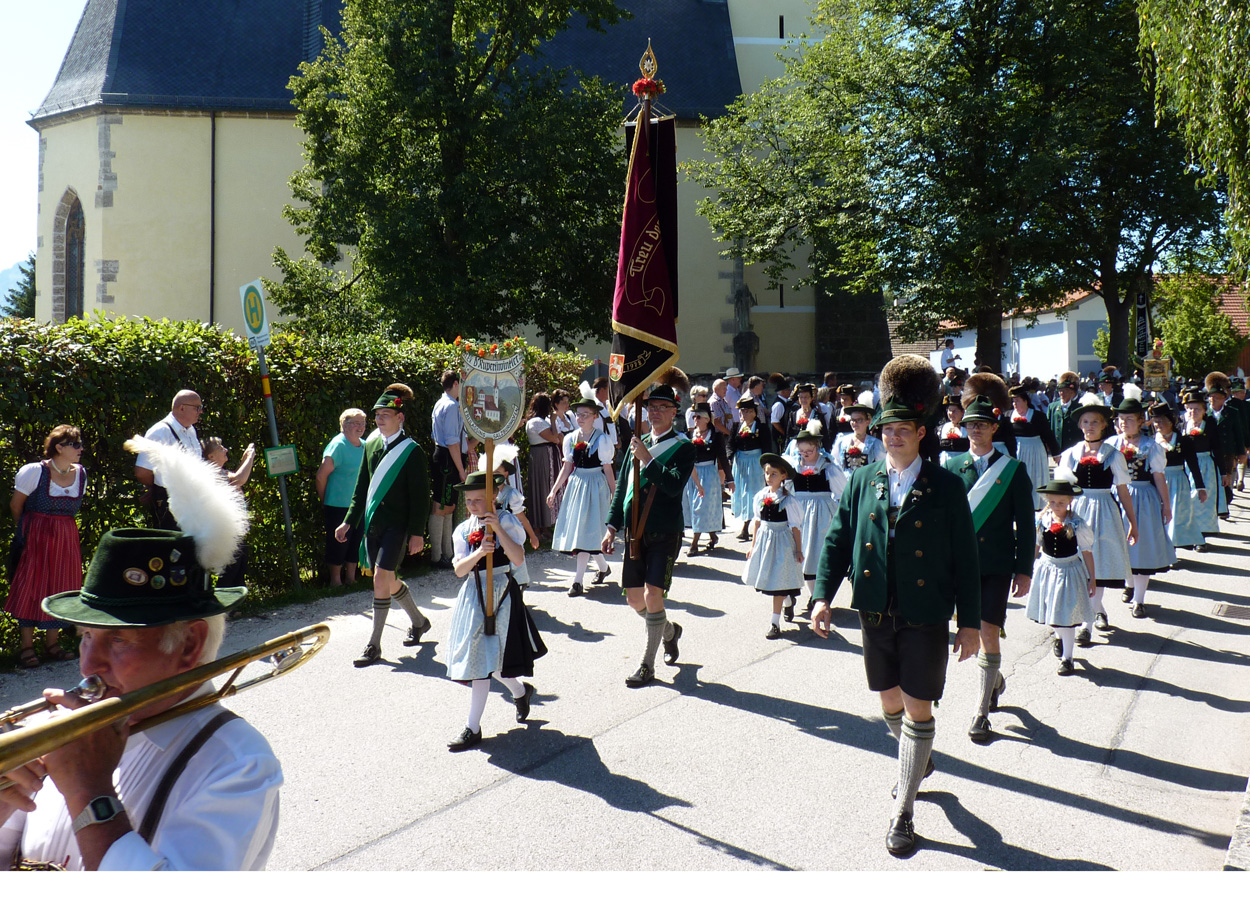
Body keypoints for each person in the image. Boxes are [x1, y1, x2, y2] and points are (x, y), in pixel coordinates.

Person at [0, 437, 279, 871]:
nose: (88, 665)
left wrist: (89, 793)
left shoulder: (238, 764)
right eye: (86, 637)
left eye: (119, 640)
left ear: (188, 644)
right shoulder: (57, 731)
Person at [811, 355, 981, 857]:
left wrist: (968, 625)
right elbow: (838, 540)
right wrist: (822, 596)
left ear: (921, 432)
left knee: (915, 704)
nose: (893, 437)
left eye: (903, 429)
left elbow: (966, 562)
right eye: (887, 429)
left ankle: (904, 810)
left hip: (926, 612)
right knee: (888, 700)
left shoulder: (948, 486)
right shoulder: (863, 480)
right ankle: (917, 753)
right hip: (874, 611)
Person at [945, 393, 1034, 744]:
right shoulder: (951, 468)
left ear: (995, 428)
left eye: (982, 424)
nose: (975, 430)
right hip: (959, 566)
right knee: (970, 631)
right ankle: (993, 678)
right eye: (970, 424)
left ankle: (982, 713)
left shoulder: (1012, 470)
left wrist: (1023, 569)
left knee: (988, 632)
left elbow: (1026, 525)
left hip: (997, 563)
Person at [444, 471, 547, 751]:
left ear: (493, 497)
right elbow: (458, 570)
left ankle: (511, 697)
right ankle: (479, 722)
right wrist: (478, 554)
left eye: (479, 499)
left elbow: (517, 557)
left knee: (493, 657)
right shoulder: (463, 530)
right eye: (469, 500)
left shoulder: (507, 521)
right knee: (481, 660)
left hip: (501, 592)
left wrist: (498, 530)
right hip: (473, 594)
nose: (473, 505)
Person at [601, 384, 695, 688]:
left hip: (665, 531)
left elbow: (672, 486)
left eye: (661, 408)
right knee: (634, 599)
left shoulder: (684, 447)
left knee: (654, 595)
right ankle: (668, 631)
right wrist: (612, 526)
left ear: (673, 413)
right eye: (651, 407)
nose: (654, 412)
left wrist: (649, 459)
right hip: (633, 532)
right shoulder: (636, 444)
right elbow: (622, 491)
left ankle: (647, 665)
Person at [337, 385, 433, 667]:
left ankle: (374, 644)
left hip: (398, 527)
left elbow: (419, 496)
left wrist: (417, 533)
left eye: (386, 415)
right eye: (377, 414)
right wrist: (348, 522)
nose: (379, 419)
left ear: (400, 418)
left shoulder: (412, 451)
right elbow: (361, 488)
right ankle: (419, 621)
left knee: (380, 578)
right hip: (373, 525)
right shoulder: (370, 445)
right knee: (388, 581)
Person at [1055, 396, 1138, 641]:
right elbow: (1060, 490)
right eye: (1085, 421)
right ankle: (1096, 610)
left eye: (1095, 422)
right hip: (1078, 510)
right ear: (1080, 426)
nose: (1089, 426)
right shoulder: (1071, 454)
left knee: (1098, 565)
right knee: (1078, 564)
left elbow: (1123, 490)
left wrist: (1132, 522)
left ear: (1104, 425)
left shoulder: (1114, 455)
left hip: (1104, 511)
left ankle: (1087, 624)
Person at [5, 425, 86, 669]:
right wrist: (28, 530)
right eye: (76, 445)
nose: (81, 449)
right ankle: (26, 648)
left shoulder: (81, 473)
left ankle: (53, 645)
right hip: (36, 536)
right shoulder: (34, 472)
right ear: (59, 448)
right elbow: (15, 505)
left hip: (66, 536)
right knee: (32, 585)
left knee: (62, 585)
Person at [1107, 397, 1173, 618]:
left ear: (1140, 421)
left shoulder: (1150, 446)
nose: (1124, 422)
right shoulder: (1112, 444)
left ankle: (1139, 600)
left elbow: (1159, 477)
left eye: (1129, 419)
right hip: (1116, 497)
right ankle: (1128, 583)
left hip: (1143, 497)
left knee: (1141, 548)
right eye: (1121, 419)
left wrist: (1166, 505)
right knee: (1120, 545)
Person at [1026, 471, 1097, 676]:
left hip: (1069, 571)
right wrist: (1028, 570)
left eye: (1061, 503)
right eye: (1054, 502)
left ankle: (1068, 658)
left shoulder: (1077, 524)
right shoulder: (1042, 520)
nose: (1057, 506)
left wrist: (1093, 579)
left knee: (1066, 615)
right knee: (1052, 611)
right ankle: (1059, 637)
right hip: (1047, 569)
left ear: (1070, 502)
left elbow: (1087, 552)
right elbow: (1036, 547)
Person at [547, 399, 616, 596]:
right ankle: (603, 568)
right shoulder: (570, 438)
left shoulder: (602, 440)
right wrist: (554, 490)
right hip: (577, 485)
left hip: (595, 485)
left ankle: (577, 582)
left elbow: (608, 469)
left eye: (585, 414)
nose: (580, 418)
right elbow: (567, 467)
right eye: (578, 414)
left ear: (595, 417)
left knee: (589, 531)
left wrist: (615, 494)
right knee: (582, 532)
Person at [741, 454, 804, 640]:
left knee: (779, 581)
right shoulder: (761, 496)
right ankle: (788, 600)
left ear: (784, 476)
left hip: (782, 541)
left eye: (774, 474)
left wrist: (798, 550)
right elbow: (757, 523)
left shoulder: (788, 500)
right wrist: (753, 547)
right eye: (767, 473)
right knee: (773, 579)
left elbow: (795, 527)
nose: (769, 477)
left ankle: (774, 623)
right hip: (765, 541)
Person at [785, 430, 844, 614]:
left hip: (821, 513)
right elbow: (786, 489)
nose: (804, 455)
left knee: (815, 553)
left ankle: (815, 596)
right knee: (794, 552)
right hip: (799, 511)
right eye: (801, 452)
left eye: (808, 452)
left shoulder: (827, 467)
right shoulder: (794, 466)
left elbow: (842, 491)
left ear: (816, 448)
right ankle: (789, 594)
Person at [134, 390, 203, 529]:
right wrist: (156, 488)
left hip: (192, 501)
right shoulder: (160, 432)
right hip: (171, 504)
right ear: (182, 408)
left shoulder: (191, 430)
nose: (200, 412)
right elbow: (142, 471)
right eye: (197, 408)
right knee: (172, 548)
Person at [316, 408, 367, 585]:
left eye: (363, 423)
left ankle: (351, 579)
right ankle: (335, 581)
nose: (360, 427)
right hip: (337, 504)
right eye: (356, 423)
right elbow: (321, 476)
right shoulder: (338, 445)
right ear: (344, 425)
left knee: (356, 541)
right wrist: (325, 500)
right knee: (338, 543)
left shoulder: (365, 445)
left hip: (358, 505)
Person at [1151, 401, 1208, 552]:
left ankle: (1184, 542)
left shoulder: (1184, 441)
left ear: (1170, 422)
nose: (1158, 425)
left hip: (1178, 481)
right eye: (1155, 422)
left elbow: (1193, 465)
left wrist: (1200, 487)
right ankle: (1166, 549)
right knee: (1159, 515)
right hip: (1158, 480)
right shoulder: (1151, 442)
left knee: (1179, 515)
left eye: (1161, 421)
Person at [429, 371, 473, 568]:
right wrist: (461, 471)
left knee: (448, 505)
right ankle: (437, 556)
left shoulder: (442, 403)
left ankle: (446, 553)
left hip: (445, 456)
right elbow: (453, 442)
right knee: (441, 505)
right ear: (456, 384)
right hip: (449, 458)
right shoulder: (452, 406)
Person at [201, 437, 256, 590]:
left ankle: (236, 607)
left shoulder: (221, 472)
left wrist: (245, 459)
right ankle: (226, 608)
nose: (225, 450)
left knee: (239, 566)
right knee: (230, 569)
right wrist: (250, 456)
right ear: (211, 456)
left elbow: (235, 478)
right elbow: (239, 479)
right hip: (224, 531)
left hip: (233, 530)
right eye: (220, 448)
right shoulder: (211, 473)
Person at [684, 405, 732, 556]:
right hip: (693, 474)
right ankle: (712, 535)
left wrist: (729, 479)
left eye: (698, 417)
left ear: (706, 419)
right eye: (694, 417)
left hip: (709, 474)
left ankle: (694, 544)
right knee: (695, 507)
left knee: (701, 506)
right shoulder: (690, 435)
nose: (695, 420)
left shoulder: (715, 436)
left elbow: (722, 458)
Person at [1180, 387, 1222, 547]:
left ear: (1204, 410)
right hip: (1185, 466)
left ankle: (1201, 537)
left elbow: (1217, 447)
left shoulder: (1209, 424)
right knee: (1186, 501)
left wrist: (1223, 472)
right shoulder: (1183, 423)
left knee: (1201, 501)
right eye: (1190, 408)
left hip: (1205, 465)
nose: (1193, 411)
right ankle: (1188, 534)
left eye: (1197, 408)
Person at [1009, 384, 1060, 508]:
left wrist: (1056, 453)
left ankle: (1037, 504)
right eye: (1013, 401)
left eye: (1017, 401)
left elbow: (1048, 435)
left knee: (1035, 476)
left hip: (1034, 450)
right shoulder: (1008, 416)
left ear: (1025, 401)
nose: (1015, 404)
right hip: (1017, 450)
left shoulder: (1037, 416)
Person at [729, 396, 770, 540]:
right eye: (742, 412)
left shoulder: (761, 427)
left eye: (747, 411)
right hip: (740, 461)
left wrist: (766, 464)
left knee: (753, 491)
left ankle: (749, 525)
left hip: (755, 461)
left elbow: (766, 446)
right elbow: (731, 444)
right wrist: (730, 458)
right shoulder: (736, 426)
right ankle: (746, 523)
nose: (744, 414)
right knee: (742, 492)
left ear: (754, 412)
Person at [524, 393, 564, 538]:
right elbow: (554, 438)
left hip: (545, 455)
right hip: (542, 456)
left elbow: (560, 438)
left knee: (546, 487)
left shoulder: (541, 421)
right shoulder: (536, 422)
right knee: (542, 488)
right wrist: (553, 421)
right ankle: (539, 526)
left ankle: (546, 525)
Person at [1205, 373, 1242, 520]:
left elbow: (1238, 433)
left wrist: (1241, 452)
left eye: (1217, 398)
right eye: (1211, 397)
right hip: (1210, 453)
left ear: (1224, 398)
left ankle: (1224, 504)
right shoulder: (1205, 414)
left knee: (1225, 480)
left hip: (1227, 452)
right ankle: (1216, 506)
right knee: (1212, 479)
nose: (1213, 400)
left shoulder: (1232, 413)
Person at [830, 402, 884, 473]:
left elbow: (882, 467)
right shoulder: (842, 441)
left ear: (868, 421)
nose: (855, 423)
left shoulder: (876, 444)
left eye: (859, 420)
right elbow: (835, 464)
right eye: (853, 420)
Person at [1047, 372, 1083, 452]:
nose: (1062, 393)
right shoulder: (1052, 406)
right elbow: (1048, 427)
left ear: (1071, 392)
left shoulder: (1078, 407)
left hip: (1073, 446)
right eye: (1060, 391)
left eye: (1065, 391)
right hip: (1058, 446)